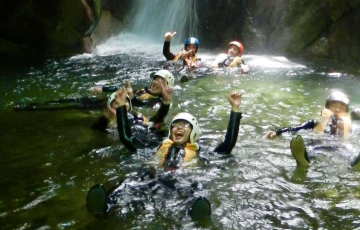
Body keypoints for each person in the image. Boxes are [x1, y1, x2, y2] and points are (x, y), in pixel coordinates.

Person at [87, 91, 243, 220]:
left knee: (197, 188)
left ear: (193, 132)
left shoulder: (199, 152)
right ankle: (106, 205)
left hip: (180, 179)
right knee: (129, 182)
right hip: (154, 176)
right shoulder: (157, 146)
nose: (179, 128)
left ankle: (196, 212)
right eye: (175, 125)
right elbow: (127, 138)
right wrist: (121, 108)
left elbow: (227, 145)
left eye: (185, 125)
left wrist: (235, 109)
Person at [266, 89, 360, 171]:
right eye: (334, 106)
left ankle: (356, 164)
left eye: (341, 107)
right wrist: (278, 132)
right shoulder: (318, 121)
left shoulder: (350, 125)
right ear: (327, 107)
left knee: (349, 153)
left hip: (339, 147)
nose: (337, 109)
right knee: (311, 149)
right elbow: (297, 127)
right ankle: (304, 161)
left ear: (346, 111)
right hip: (319, 143)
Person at [91, 70, 174, 134]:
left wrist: (133, 99)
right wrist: (103, 89)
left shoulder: (155, 104)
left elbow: (157, 119)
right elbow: (120, 89)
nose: (155, 82)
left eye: (160, 81)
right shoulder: (144, 90)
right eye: (155, 79)